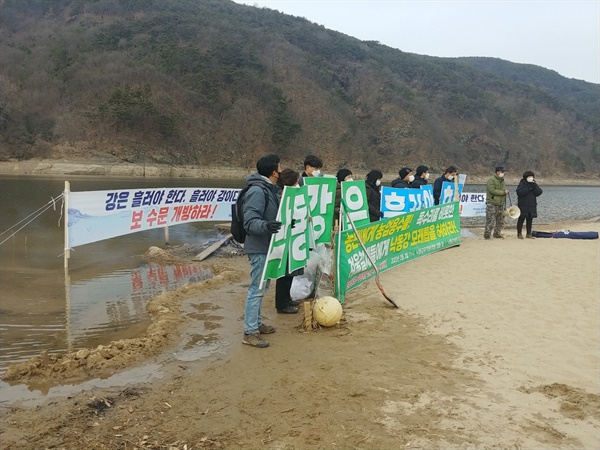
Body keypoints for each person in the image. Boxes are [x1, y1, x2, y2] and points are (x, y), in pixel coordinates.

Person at [241, 154, 283, 348]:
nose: (281, 171)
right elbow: (249, 221)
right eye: (280, 168)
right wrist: (266, 226)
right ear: (274, 172)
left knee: (263, 287)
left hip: (267, 245)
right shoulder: (258, 191)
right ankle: (249, 332)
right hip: (259, 247)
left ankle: (257, 324)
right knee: (256, 289)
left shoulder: (269, 189)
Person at [275, 169, 303, 314]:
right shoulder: (281, 197)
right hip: (284, 239)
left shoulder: (294, 196)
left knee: (291, 271)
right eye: (296, 181)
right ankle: (281, 304)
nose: (298, 183)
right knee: (284, 274)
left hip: (294, 237)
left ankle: (287, 299)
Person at [484, 166, 510, 240]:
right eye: (502, 172)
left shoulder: (502, 180)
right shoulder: (491, 180)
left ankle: (497, 234)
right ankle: (487, 235)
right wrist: (503, 192)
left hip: (501, 203)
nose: (503, 173)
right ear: (497, 172)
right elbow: (492, 190)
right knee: (490, 220)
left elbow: (503, 189)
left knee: (500, 220)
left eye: (503, 172)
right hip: (492, 203)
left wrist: (506, 191)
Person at [516, 171, 543, 239]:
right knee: (521, 219)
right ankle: (519, 233)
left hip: (532, 205)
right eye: (529, 177)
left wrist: (534, 187)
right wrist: (528, 188)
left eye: (532, 177)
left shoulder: (534, 184)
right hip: (523, 205)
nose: (531, 178)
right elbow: (519, 193)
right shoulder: (522, 184)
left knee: (530, 219)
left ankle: (528, 233)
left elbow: (539, 192)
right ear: (526, 177)